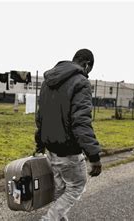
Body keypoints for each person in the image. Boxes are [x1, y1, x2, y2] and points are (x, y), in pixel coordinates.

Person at [35, 49, 102, 220]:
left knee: (60, 188)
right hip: (69, 151)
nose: (87, 73)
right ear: (86, 64)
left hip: (51, 148)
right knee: (77, 186)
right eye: (89, 69)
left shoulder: (47, 82)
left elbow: (40, 116)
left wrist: (40, 144)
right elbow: (81, 121)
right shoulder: (81, 82)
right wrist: (93, 155)